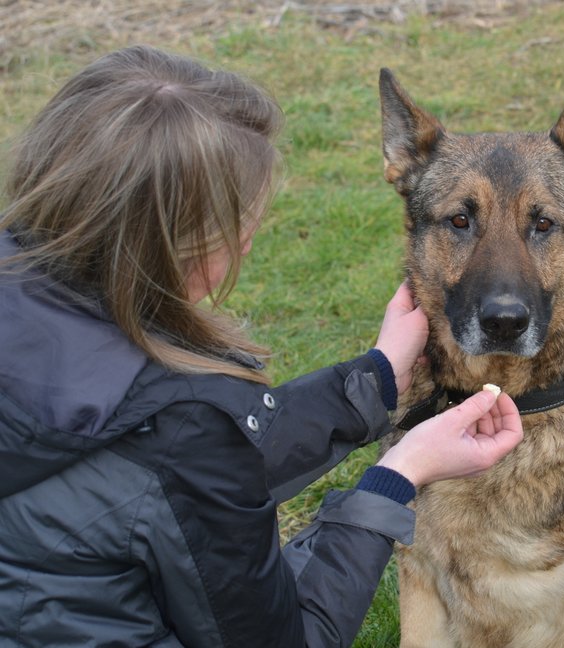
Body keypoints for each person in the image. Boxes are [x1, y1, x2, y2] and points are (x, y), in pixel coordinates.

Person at [0, 45, 523, 647]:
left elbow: (162, 477)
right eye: (236, 226)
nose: (247, 244)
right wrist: (397, 476)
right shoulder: (184, 424)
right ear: (172, 241)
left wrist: (375, 381)